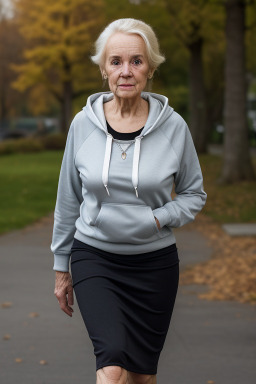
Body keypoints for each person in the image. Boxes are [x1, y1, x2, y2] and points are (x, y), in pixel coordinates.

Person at [51, 18, 207, 384]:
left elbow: (194, 194)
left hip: (154, 265)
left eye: (136, 61)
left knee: (140, 377)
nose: (126, 71)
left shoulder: (174, 127)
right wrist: (61, 267)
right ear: (103, 68)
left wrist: (158, 218)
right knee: (112, 369)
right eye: (116, 61)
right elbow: (68, 198)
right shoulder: (82, 125)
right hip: (95, 256)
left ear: (150, 68)